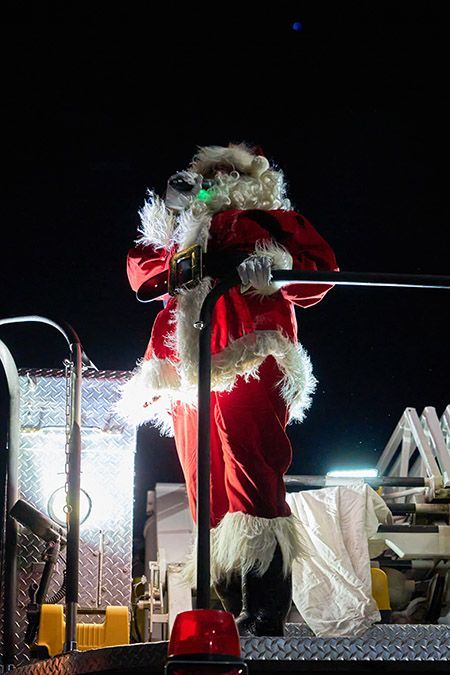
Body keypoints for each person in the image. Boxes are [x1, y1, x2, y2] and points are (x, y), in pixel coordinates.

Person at [119, 142, 338, 636]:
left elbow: (321, 273)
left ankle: (266, 606)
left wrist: (278, 269)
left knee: (253, 471)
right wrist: (172, 213)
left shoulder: (274, 220)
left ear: (255, 178)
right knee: (204, 482)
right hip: (186, 367)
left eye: (229, 171)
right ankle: (229, 601)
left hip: (251, 352)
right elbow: (142, 273)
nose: (218, 180)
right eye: (210, 173)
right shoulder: (182, 225)